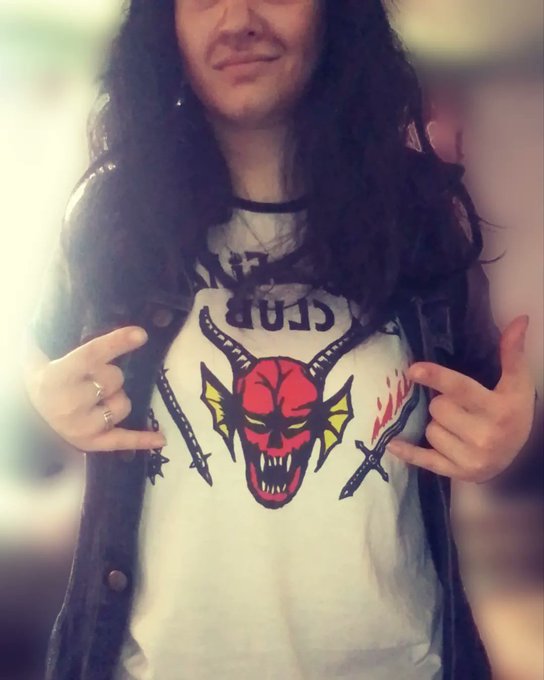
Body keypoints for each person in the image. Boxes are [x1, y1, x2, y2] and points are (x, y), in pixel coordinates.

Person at [22, 1, 536, 679]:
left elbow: (484, 398)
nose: (238, 18)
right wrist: (45, 399)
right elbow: (39, 379)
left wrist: (506, 437)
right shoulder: (113, 213)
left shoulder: (418, 217)